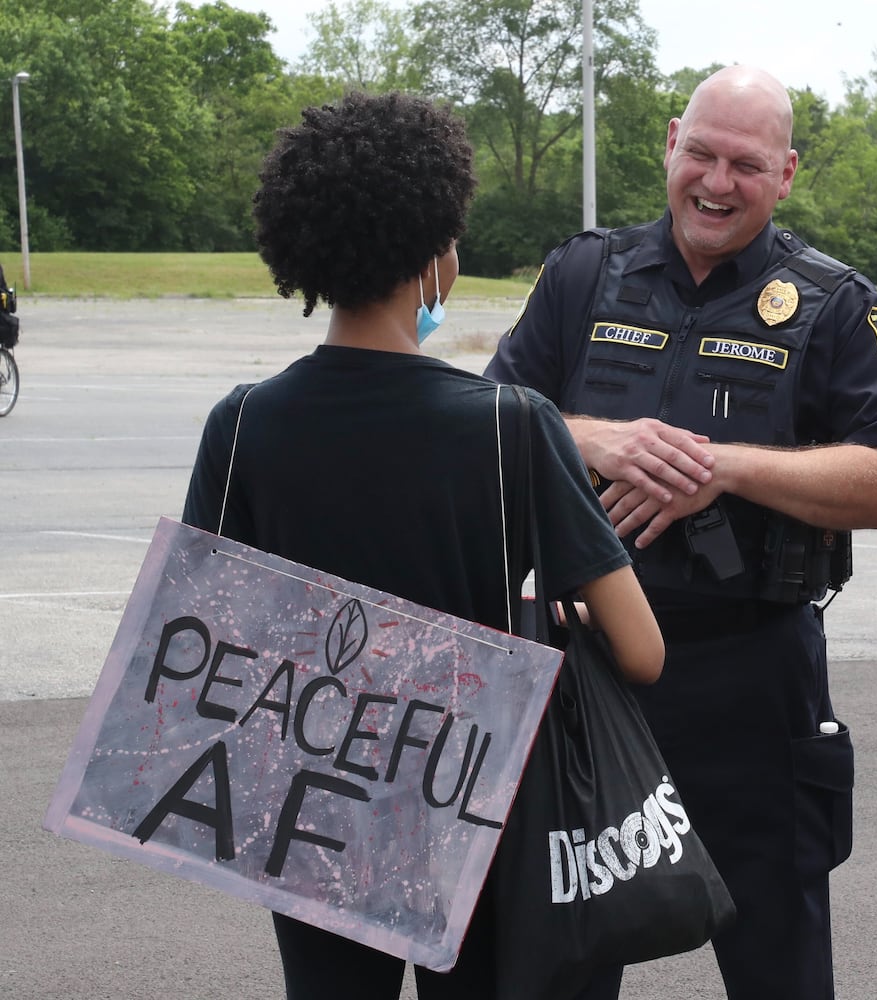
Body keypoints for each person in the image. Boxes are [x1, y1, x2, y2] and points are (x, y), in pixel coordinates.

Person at [181, 91, 663, 1000]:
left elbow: (204, 650)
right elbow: (641, 652)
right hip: (469, 816)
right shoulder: (511, 426)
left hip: (310, 816)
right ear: (435, 256)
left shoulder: (240, 424)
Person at [485, 65, 877, 1000]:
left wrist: (719, 468)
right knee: (559, 956)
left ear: (787, 174)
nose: (716, 183)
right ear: (668, 145)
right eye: (701, 153)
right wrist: (595, 436)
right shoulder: (582, 273)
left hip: (751, 675)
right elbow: (490, 418)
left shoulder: (833, 302)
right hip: (586, 675)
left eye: (745, 164)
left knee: (777, 958)